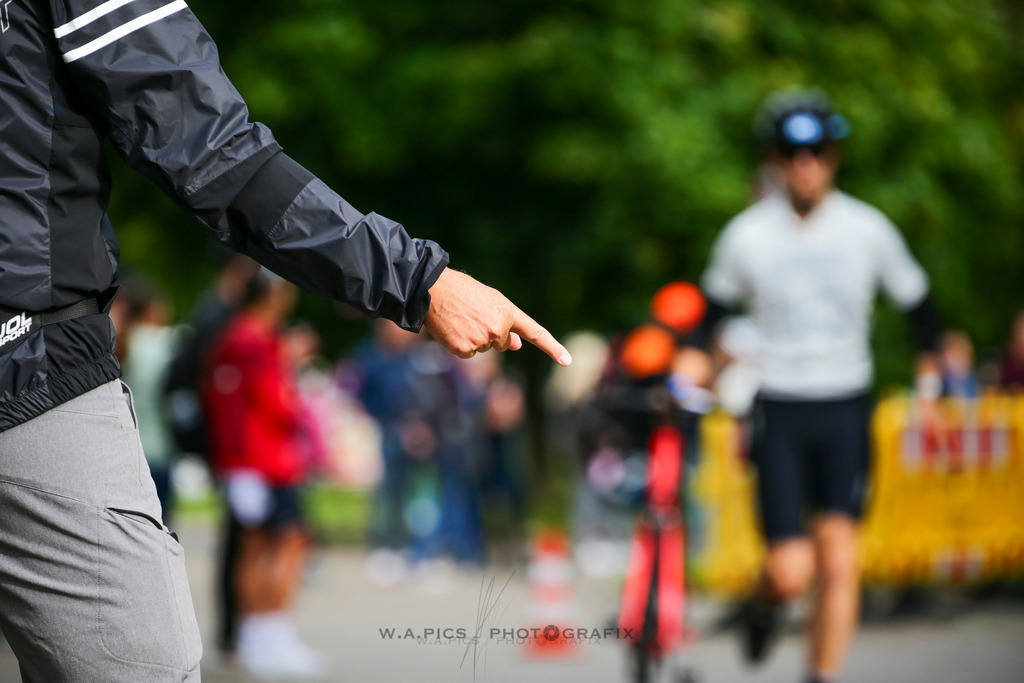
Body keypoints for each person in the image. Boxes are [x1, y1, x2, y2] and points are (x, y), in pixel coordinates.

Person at [0, 4, 569, 682]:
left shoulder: (257, 342)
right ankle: (259, 636)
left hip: (45, 368)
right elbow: (213, 150)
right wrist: (420, 282)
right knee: (142, 659)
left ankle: (265, 636)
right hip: (33, 372)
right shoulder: (242, 341)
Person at [696, 90, 941, 683]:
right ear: (774, 158)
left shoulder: (866, 228)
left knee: (839, 559)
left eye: (816, 150)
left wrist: (930, 377)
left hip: (845, 405)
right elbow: (709, 315)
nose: (804, 162)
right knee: (790, 570)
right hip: (780, 407)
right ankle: (763, 605)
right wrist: (692, 365)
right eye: (790, 150)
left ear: (833, 154)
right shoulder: (748, 235)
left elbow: (919, 303)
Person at [202, 271, 325, 677]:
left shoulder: (235, 337)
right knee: (286, 544)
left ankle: (260, 636)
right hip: (266, 459)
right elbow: (276, 402)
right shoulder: (258, 340)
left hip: (246, 461)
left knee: (254, 548)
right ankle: (271, 632)